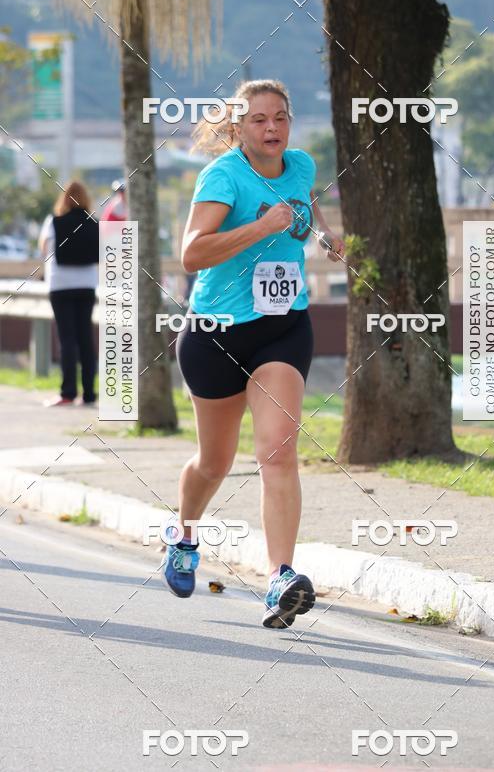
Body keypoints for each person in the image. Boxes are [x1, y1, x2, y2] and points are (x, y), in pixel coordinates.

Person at [167, 79, 344, 628]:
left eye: (281, 118)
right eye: (260, 120)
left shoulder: (302, 165)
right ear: (239, 128)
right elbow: (192, 253)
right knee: (214, 461)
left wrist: (324, 236)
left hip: (282, 330)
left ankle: (279, 579)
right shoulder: (223, 176)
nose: (272, 128)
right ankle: (184, 534)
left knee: (278, 453)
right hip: (216, 333)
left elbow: (305, 207)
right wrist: (260, 226)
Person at [38, 181, 99, 407]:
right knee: (85, 338)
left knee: (67, 339)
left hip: (60, 285)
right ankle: (89, 394)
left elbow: (44, 248)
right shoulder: (94, 223)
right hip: (87, 285)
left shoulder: (53, 222)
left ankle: (68, 393)